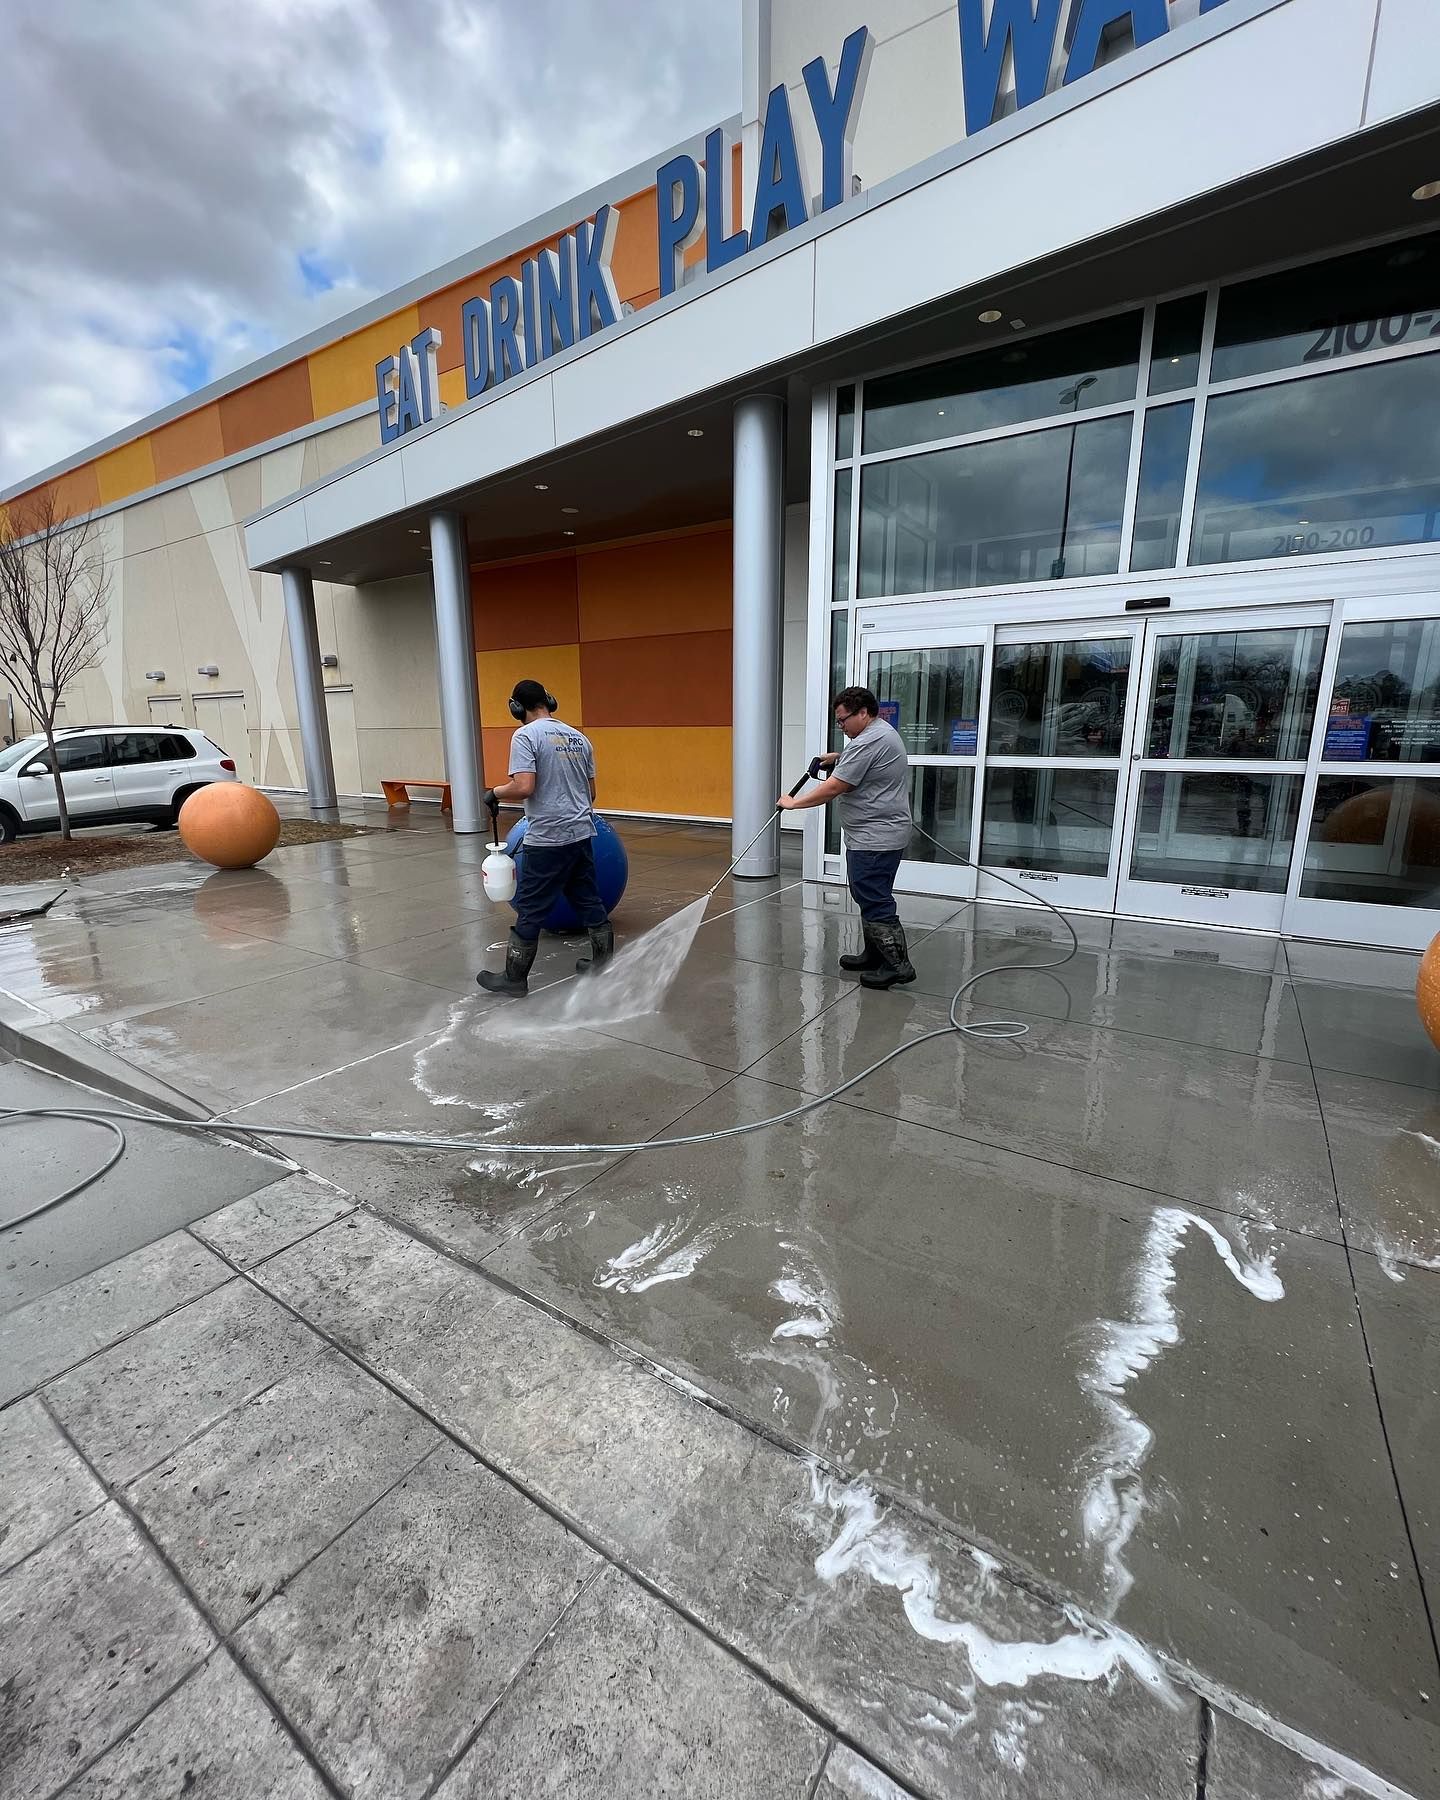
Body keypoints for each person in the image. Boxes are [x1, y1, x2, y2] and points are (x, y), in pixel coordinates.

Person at [477, 679, 612, 997]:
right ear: (548, 702)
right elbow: (591, 793)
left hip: (549, 837)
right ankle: (602, 965)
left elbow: (524, 786)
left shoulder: (525, 736)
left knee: (531, 907)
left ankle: (514, 978)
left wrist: (495, 793)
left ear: (516, 708)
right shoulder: (579, 737)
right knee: (588, 899)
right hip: (581, 832)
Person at [777, 685, 915, 988]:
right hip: (874, 834)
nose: (841, 726)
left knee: (874, 898)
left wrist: (794, 803)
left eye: (843, 720)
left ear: (863, 713)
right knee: (867, 895)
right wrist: (839, 758)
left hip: (876, 837)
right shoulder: (876, 735)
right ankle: (875, 955)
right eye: (838, 721)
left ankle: (897, 965)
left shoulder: (870, 740)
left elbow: (835, 787)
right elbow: (864, 764)